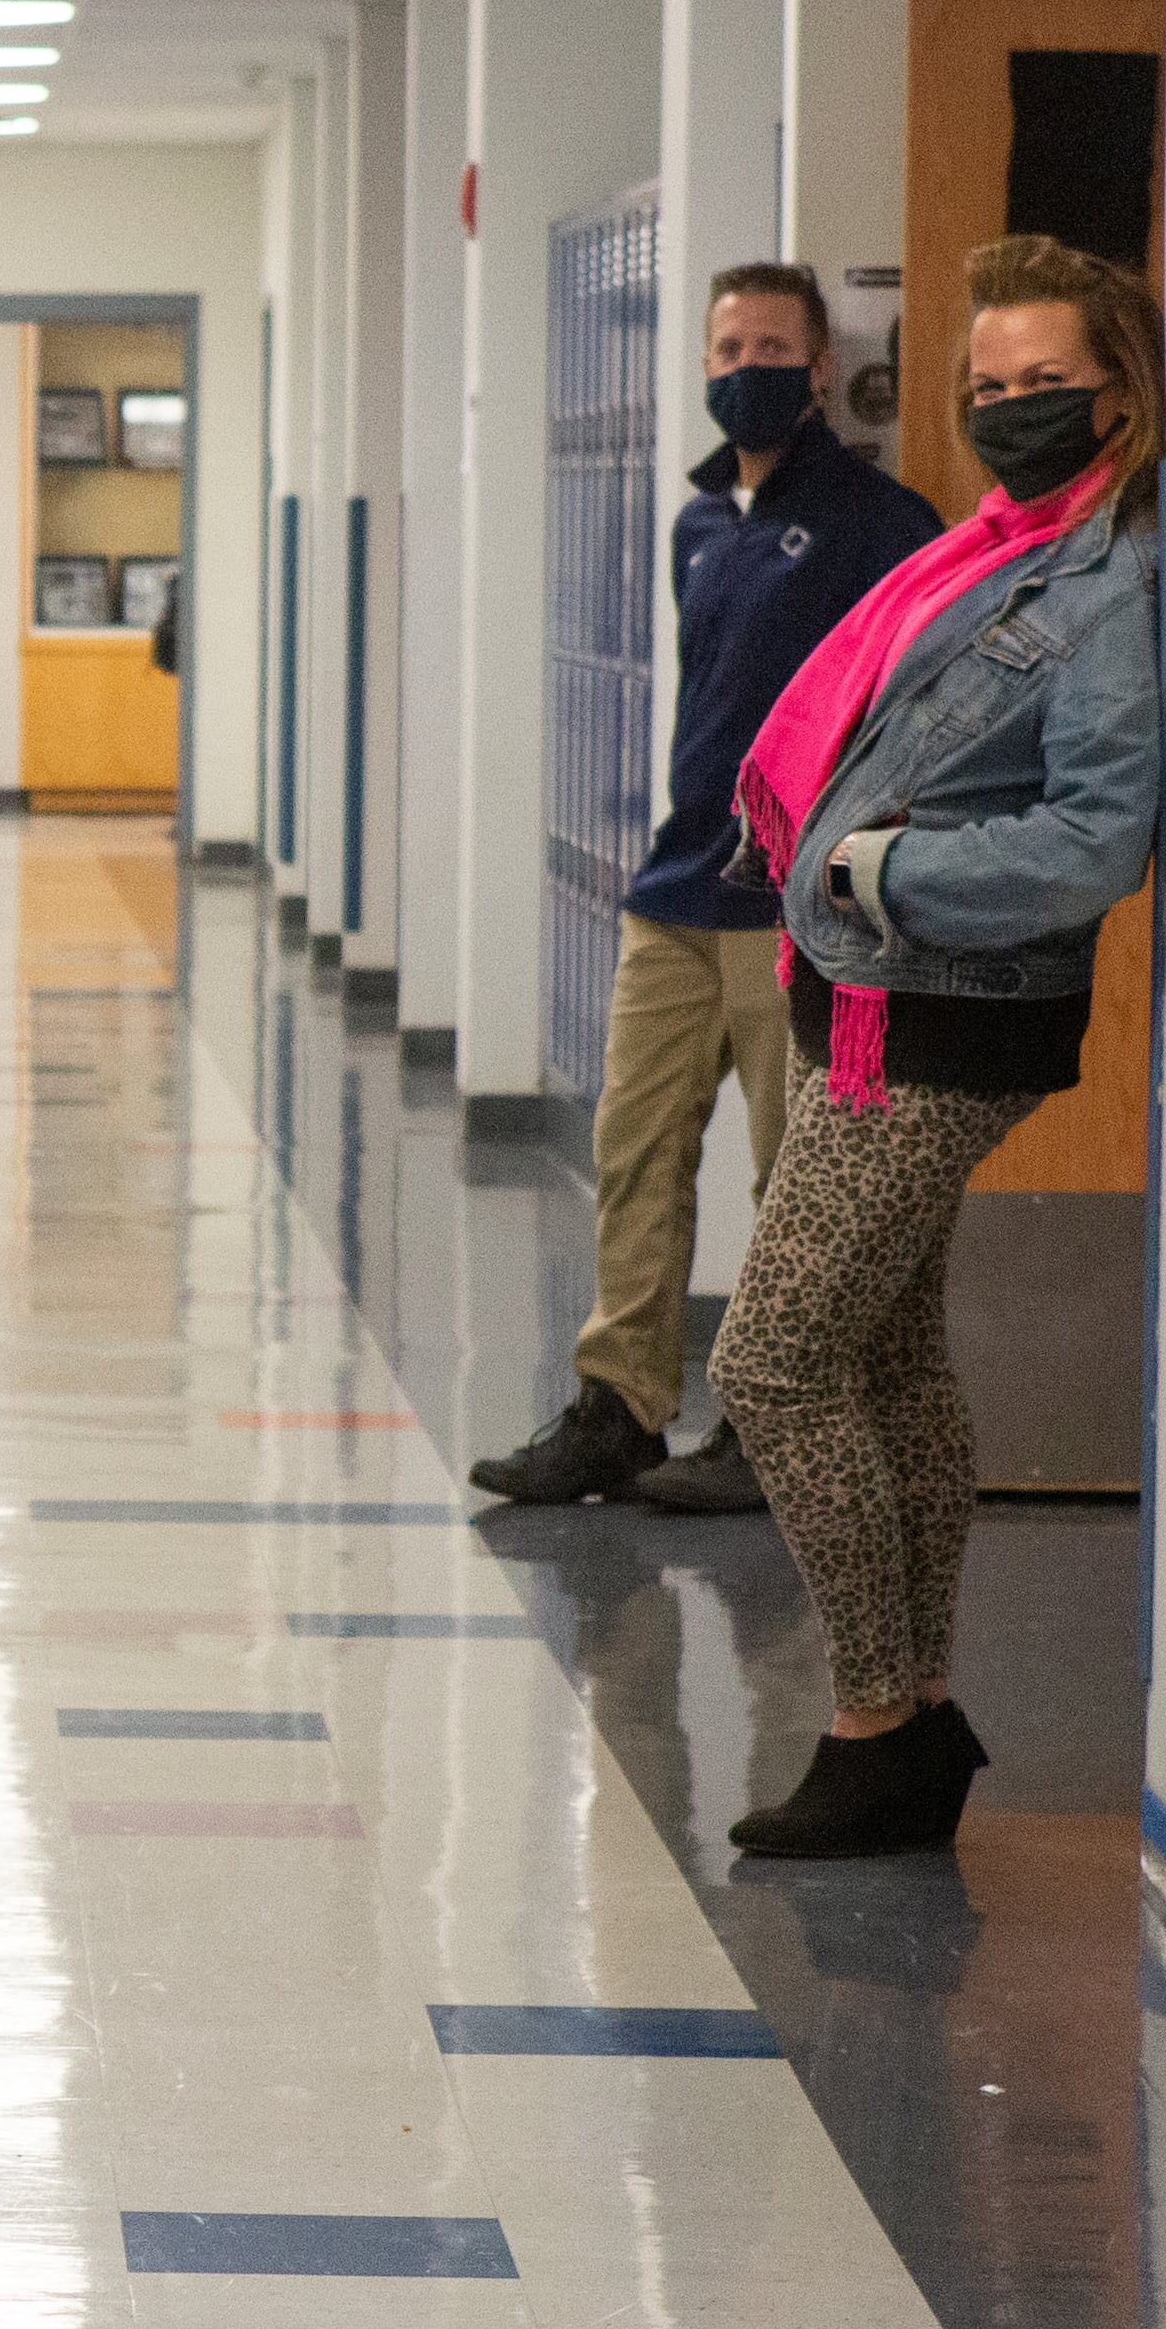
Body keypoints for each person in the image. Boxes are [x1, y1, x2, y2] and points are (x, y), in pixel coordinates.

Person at [706, 235, 1166, 1859]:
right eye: (989, 387)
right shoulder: (986, 552)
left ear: (1121, 388)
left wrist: (881, 867)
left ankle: (873, 1714)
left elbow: (1096, 834)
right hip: (859, 985)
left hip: (945, 1004)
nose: (1012, 411)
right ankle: (913, 1708)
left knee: (769, 1355)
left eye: (1047, 384)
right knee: (887, 1356)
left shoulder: (1105, 573)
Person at [475, 264, 942, 1515]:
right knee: (634, 1151)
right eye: (728, 344)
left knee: (789, 1173)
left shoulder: (878, 521)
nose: (748, 364)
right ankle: (617, 1407)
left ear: (820, 370)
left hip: (795, 910)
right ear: (699, 363)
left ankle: (769, 1417)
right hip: (674, 890)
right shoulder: (695, 521)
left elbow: (915, 711)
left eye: (774, 344)